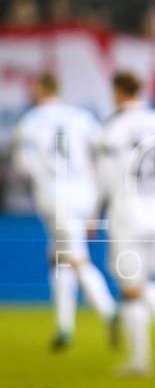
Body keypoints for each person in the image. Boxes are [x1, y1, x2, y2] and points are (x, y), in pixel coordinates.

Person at [11, 73, 117, 351]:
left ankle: (109, 311)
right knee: (57, 258)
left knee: (74, 256)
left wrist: (43, 178)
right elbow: (102, 149)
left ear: (41, 88)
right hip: (84, 191)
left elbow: (23, 166)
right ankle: (64, 326)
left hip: (55, 194)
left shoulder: (30, 122)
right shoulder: (81, 117)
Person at [96, 71, 155, 374]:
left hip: (127, 212)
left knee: (130, 287)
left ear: (118, 92)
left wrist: (94, 212)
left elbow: (105, 176)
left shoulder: (114, 127)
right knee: (145, 281)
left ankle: (140, 360)